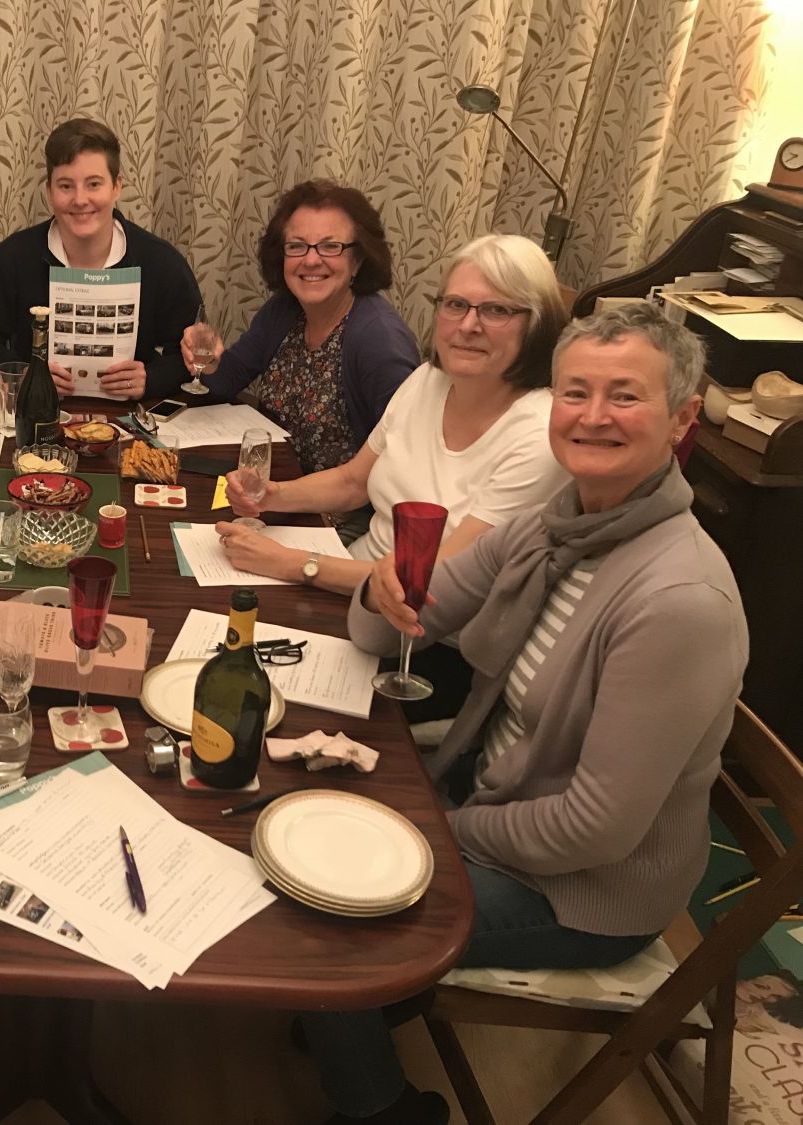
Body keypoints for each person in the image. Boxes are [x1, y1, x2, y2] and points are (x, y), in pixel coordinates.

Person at [295, 303, 747, 1124]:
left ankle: (386, 1106)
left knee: (331, 921)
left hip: (584, 890)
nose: (594, 416)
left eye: (625, 396)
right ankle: (343, 1011)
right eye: (576, 392)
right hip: (488, 797)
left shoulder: (679, 600)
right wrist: (379, 587)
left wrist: (436, 829)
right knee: (297, 809)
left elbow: (593, 832)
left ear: (684, 418)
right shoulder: (556, 523)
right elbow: (394, 622)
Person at [218, 234, 569, 715]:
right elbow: (353, 481)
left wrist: (292, 562)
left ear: (537, 324)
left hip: (427, 646)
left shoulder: (539, 437)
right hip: (351, 593)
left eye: (496, 311)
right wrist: (270, 496)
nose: (468, 325)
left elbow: (429, 582)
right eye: (456, 304)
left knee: (245, 704)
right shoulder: (428, 380)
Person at [180, 181, 418, 487]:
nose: (311, 259)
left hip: (337, 513)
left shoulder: (379, 339)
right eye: (297, 246)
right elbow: (228, 379)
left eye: (331, 246)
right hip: (271, 488)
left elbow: (402, 462)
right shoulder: (284, 309)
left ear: (358, 260)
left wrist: (285, 498)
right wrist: (210, 361)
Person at [0, 118, 202, 401]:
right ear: (49, 191)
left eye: (94, 184)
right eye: (66, 186)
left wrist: (152, 379)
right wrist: (27, 375)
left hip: (131, 423)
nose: (80, 199)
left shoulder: (160, 261)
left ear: (117, 186)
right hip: (34, 418)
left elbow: (192, 355)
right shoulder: (13, 257)